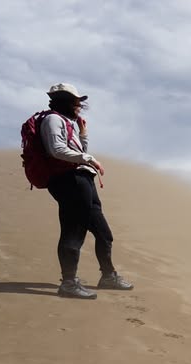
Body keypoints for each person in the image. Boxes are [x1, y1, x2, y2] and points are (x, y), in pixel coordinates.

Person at [41, 83, 133, 299]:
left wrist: (83, 134)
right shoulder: (52, 119)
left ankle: (108, 276)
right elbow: (57, 151)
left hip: (83, 179)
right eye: (76, 102)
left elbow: (78, 151)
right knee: (73, 232)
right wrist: (89, 159)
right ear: (65, 101)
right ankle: (69, 283)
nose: (79, 107)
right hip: (68, 180)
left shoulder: (68, 122)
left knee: (103, 233)